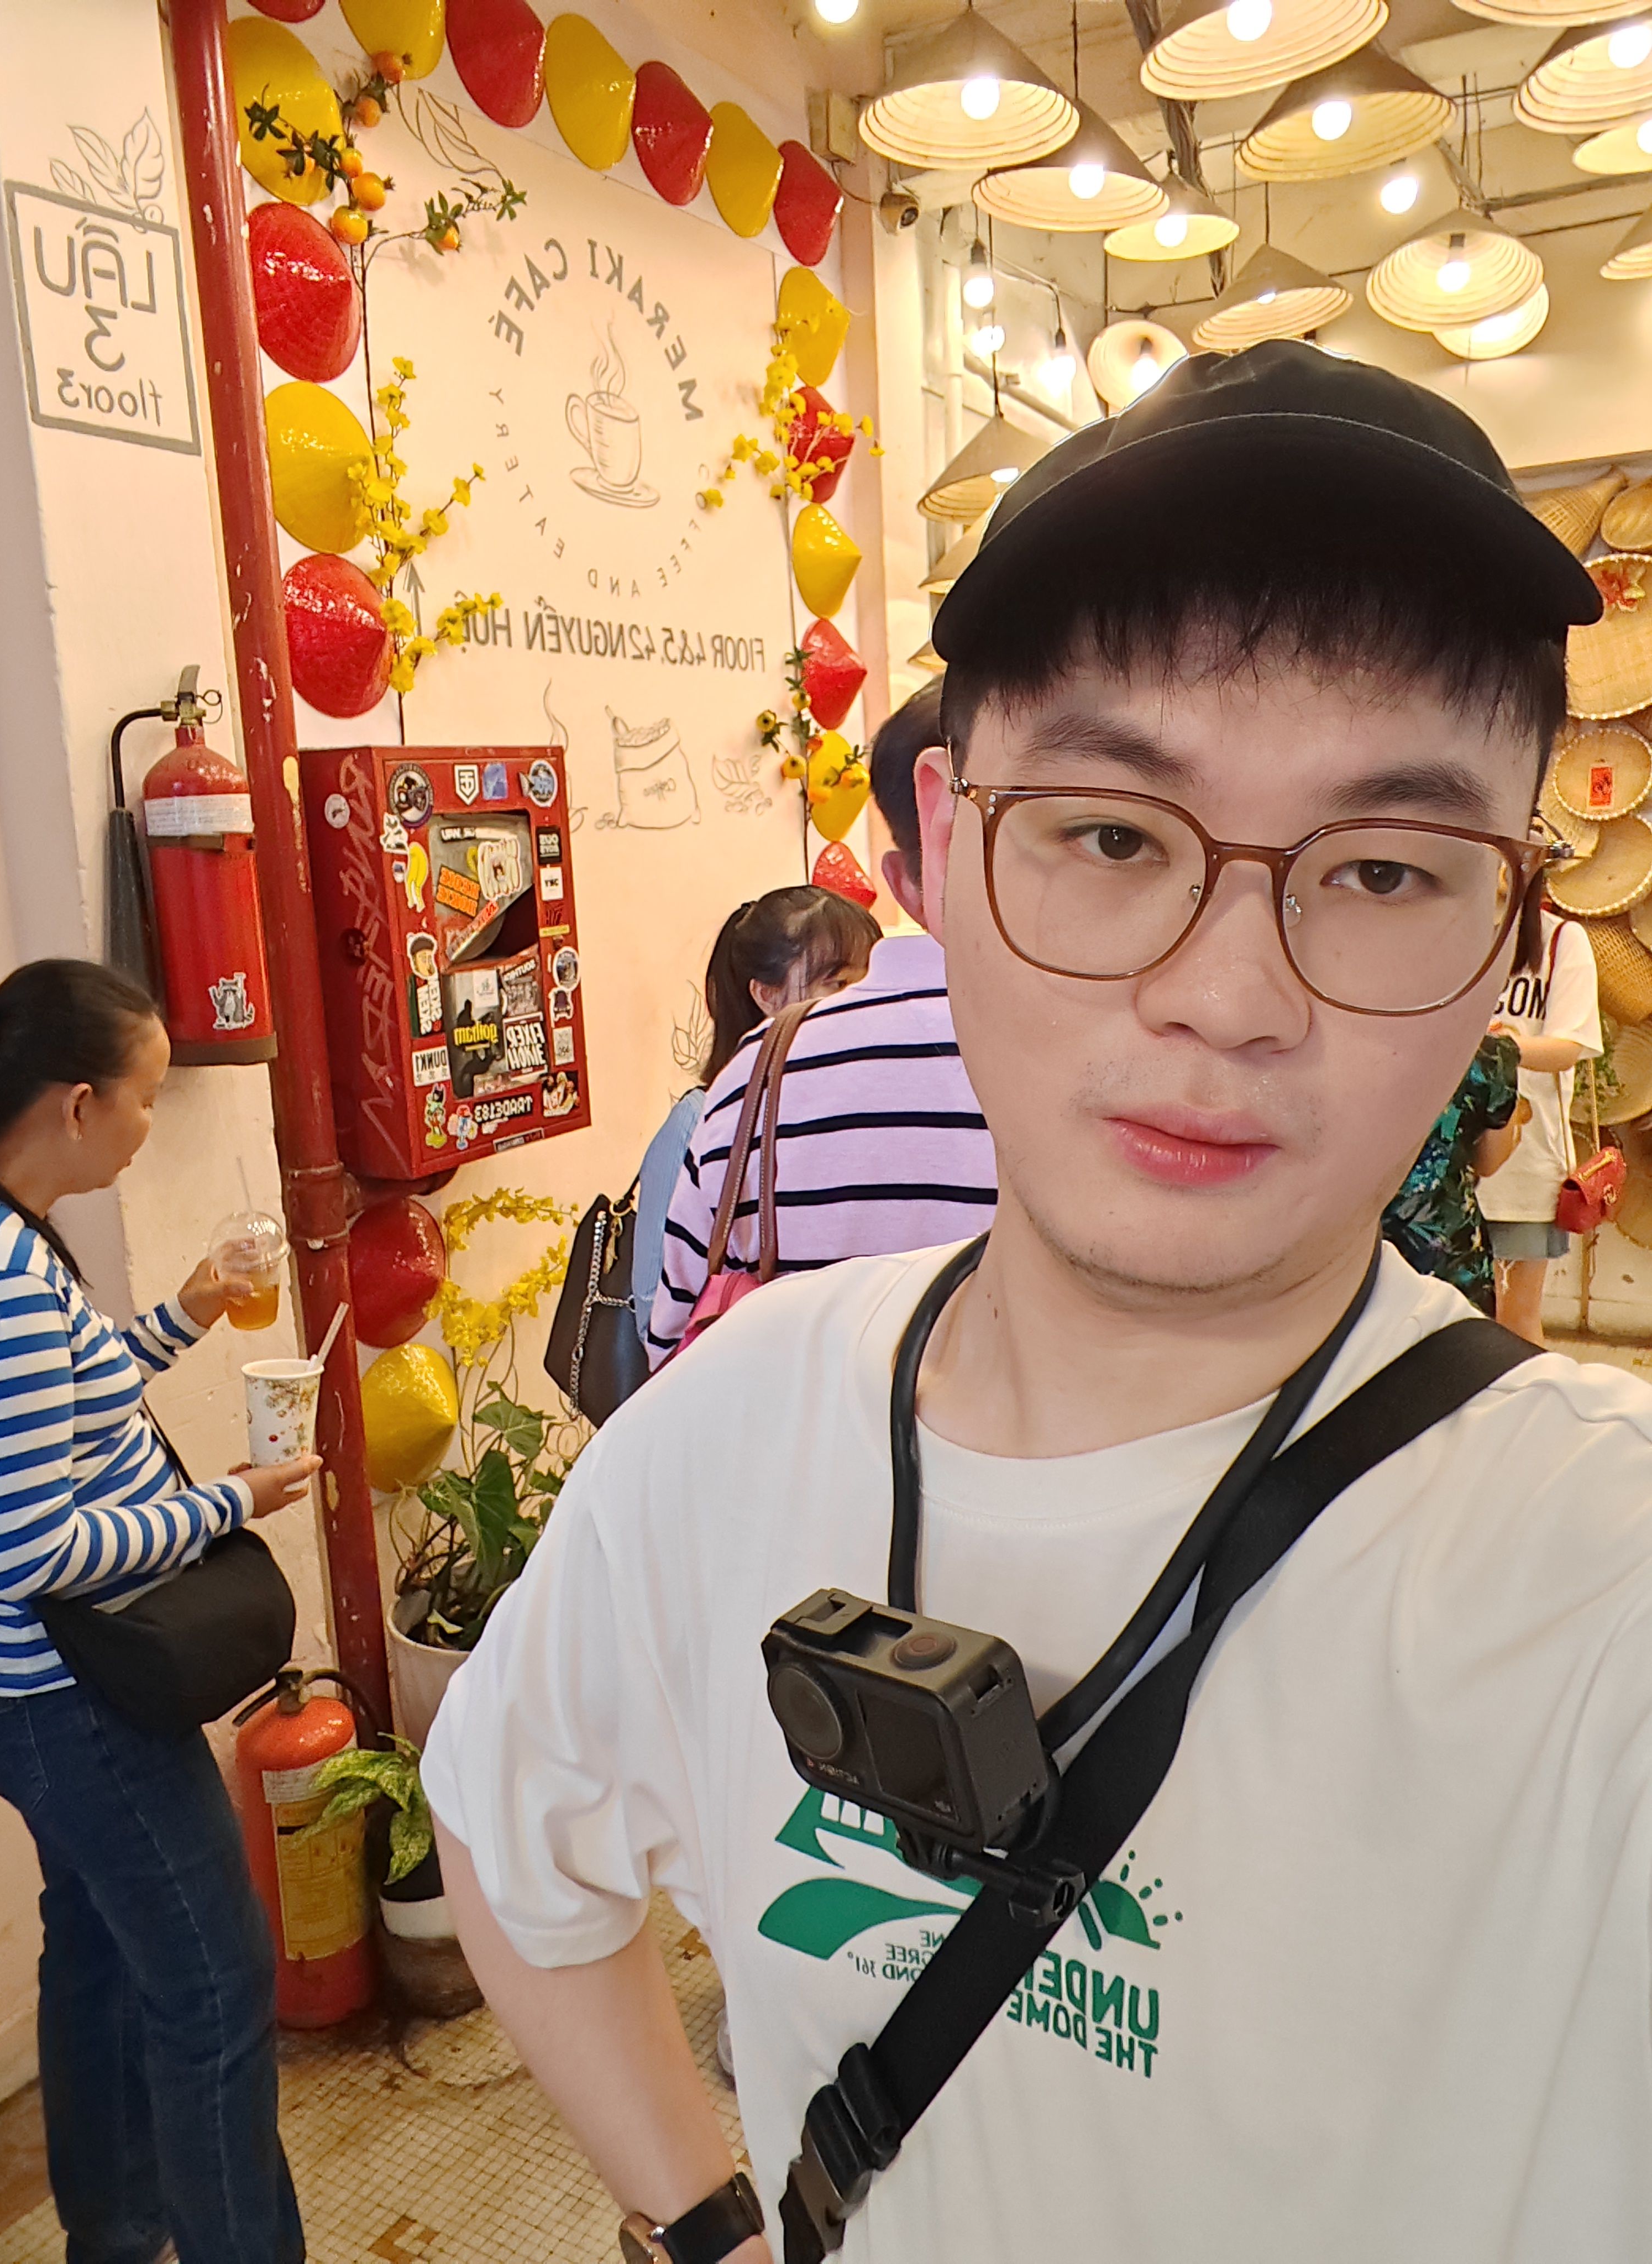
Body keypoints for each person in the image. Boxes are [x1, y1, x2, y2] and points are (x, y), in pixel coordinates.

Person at [422, 345, 1652, 2263]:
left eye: (1381, 869)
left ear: (1504, 926)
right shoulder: (733, 1425)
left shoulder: (1587, 1588)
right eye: (1110, 835)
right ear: (941, 848)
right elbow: (511, 1835)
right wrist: (709, 2225)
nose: (1228, 996)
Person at [0, 961, 319, 2264]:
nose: (149, 1126)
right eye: (146, 1098)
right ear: (76, 1103)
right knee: (215, 1983)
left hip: (15, 1687)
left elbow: (64, 1395)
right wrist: (228, 1501)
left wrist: (186, 1313)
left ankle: (116, 2227)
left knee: (103, 1944)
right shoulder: (0, 1275)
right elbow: (32, 1547)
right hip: (65, 1688)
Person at [642, 688, 998, 1365]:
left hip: (795, 1431)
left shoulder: (755, 1076)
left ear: (902, 882)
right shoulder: (1099, 1060)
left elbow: (670, 1343)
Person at [631, 888, 880, 1341]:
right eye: (839, 984)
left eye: (870, 980)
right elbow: (655, 1309)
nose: (862, 1001)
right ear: (766, 995)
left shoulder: (867, 1103)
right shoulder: (700, 1120)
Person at [1477, 906, 1603, 1344]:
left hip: (1523, 1167)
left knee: (1514, 1320)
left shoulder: (1561, 940)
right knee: (1435, 1319)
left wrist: (1499, 1047)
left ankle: (1524, 1393)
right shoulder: (1446, 925)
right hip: (1439, 1164)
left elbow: (1568, 1048)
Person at [1381, 1030, 1522, 1312]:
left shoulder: (1348, 1042)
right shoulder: (1487, 1054)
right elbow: (1490, 1161)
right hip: (1446, 1247)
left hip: (1350, 1245)